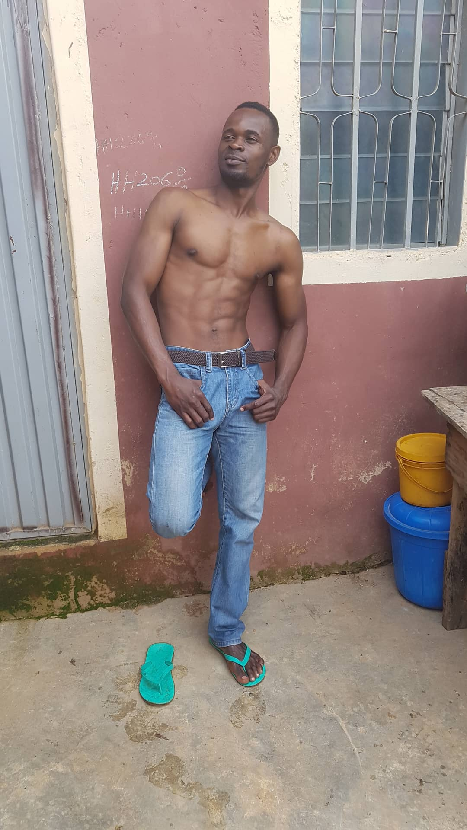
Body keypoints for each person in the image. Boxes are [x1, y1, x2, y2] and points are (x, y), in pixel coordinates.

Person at [121, 102, 307, 687]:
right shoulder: (176, 206)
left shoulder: (278, 240)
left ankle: (227, 629)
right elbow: (133, 290)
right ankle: (198, 464)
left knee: (243, 519)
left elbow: (296, 322)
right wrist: (168, 378)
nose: (235, 145)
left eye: (249, 138)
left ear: (271, 155)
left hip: (244, 383)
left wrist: (281, 388)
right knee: (172, 517)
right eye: (229, 135)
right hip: (186, 379)